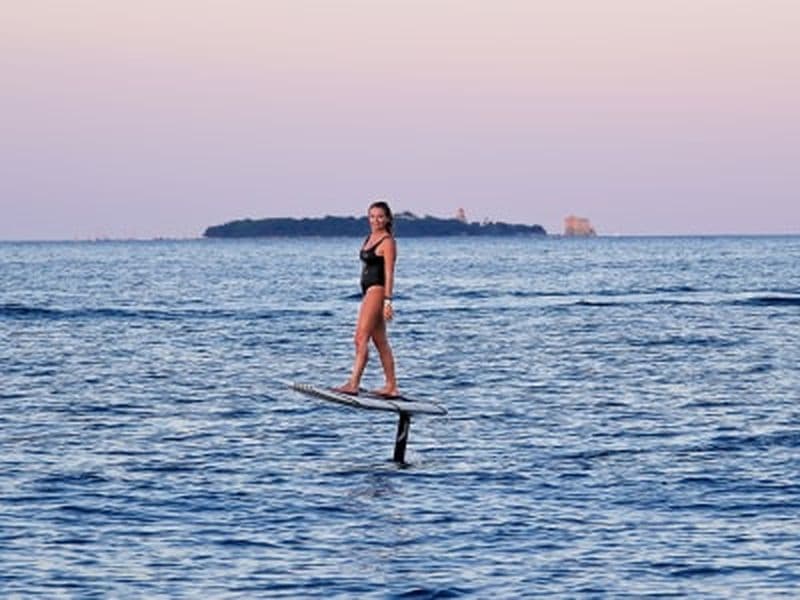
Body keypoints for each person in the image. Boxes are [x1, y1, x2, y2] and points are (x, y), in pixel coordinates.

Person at [335, 200, 399, 398]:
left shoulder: (387, 242)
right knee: (380, 341)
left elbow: (389, 273)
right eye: (372, 216)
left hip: (377, 290)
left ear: (387, 218)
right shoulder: (370, 237)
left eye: (380, 216)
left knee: (360, 338)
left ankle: (353, 384)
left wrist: (388, 300)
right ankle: (391, 386)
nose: (376, 220)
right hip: (367, 291)